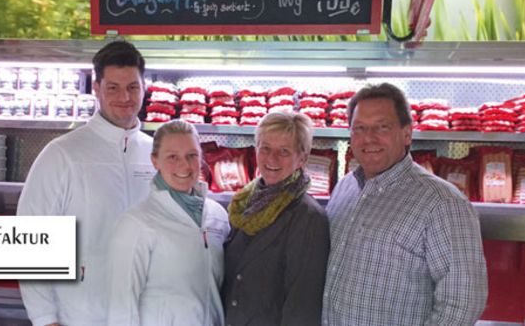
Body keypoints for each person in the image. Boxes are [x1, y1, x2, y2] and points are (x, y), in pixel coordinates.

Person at [322, 83, 488, 326]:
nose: (369, 138)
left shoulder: (443, 202)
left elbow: (462, 302)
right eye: (359, 128)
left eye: (382, 127)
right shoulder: (345, 187)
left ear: (407, 133)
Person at [17, 40, 156, 326]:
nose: (125, 97)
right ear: (96, 88)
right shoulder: (63, 153)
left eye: (132, 87)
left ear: (145, 87)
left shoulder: (156, 155)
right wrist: (45, 319)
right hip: (81, 316)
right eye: (113, 88)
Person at [106, 119, 230, 326]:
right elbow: (121, 310)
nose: (184, 165)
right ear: (155, 160)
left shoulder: (217, 217)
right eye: (172, 157)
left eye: (192, 155)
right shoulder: (137, 224)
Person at [221, 112, 330, 326]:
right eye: (266, 148)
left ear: (302, 159)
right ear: (256, 150)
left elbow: (303, 306)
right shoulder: (243, 204)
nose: (272, 159)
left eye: (284, 151)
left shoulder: (308, 218)